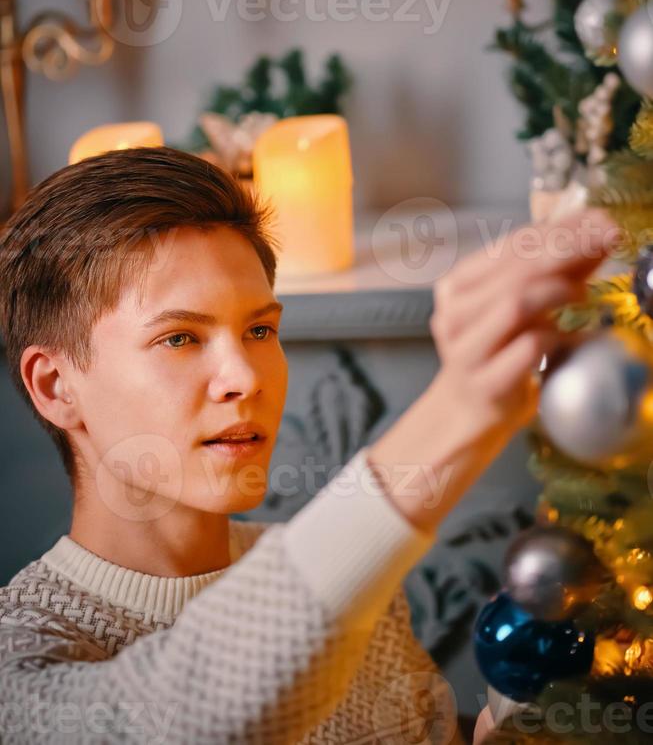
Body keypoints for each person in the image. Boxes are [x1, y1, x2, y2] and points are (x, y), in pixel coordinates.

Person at [0, 146, 618, 744]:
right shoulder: (20, 654)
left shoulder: (352, 585)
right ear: (56, 388)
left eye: (260, 329)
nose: (245, 376)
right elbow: (184, 721)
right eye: (181, 339)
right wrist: (460, 409)